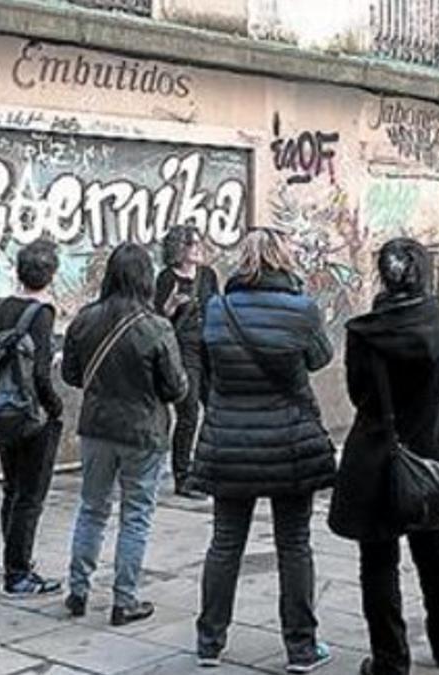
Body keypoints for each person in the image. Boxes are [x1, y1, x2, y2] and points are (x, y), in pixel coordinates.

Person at [190, 228, 335, 673]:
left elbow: (208, 372)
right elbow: (320, 358)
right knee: (294, 543)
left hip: (230, 442)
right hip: (288, 443)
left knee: (225, 542)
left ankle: (210, 643)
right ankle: (301, 649)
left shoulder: (217, 310)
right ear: (282, 259)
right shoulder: (302, 310)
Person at [327, 238, 439, 675]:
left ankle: (390, 659)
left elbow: (357, 393)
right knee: (434, 550)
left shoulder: (364, 331)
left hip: (375, 452)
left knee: (378, 560)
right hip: (427, 447)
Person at [60, 243, 188, 625]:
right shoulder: (156, 326)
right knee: (135, 514)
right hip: (142, 432)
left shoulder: (84, 319)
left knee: (92, 507)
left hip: (97, 427)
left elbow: (70, 374)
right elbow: (176, 388)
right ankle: (124, 599)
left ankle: (78, 590)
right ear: (146, 279)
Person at [0, 240, 65, 597]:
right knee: (30, 496)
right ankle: (18, 571)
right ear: (50, 274)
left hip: (4, 409)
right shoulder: (42, 314)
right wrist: (55, 407)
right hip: (32, 414)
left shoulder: (3, 309)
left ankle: (12, 558)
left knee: (11, 488)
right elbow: (41, 375)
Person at [155, 226, 220, 500]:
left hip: (210, 349)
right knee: (189, 412)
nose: (198, 248)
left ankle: (205, 466)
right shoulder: (167, 278)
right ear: (180, 248)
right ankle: (183, 476)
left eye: (199, 243)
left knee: (216, 408)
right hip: (183, 351)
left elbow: (216, 307)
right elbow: (157, 320)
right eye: (193, 244)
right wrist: (169, 308)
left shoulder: (208, 275)